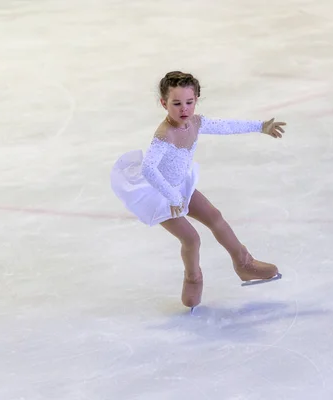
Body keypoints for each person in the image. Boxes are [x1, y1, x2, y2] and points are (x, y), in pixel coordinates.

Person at [110, 71, 286, 310]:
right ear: (164, 103)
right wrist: (172, 197)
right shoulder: (165, 134)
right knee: (191, 239)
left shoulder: (195, 122)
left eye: (189, 102)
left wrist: (260, 126)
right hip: (160, 195)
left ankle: (244, 264)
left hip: (180, 186)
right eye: (176, 103)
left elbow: (226, 126)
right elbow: (150, 169)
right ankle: (193, 278)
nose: (184, 109)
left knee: (214, 216)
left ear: (196, 100)